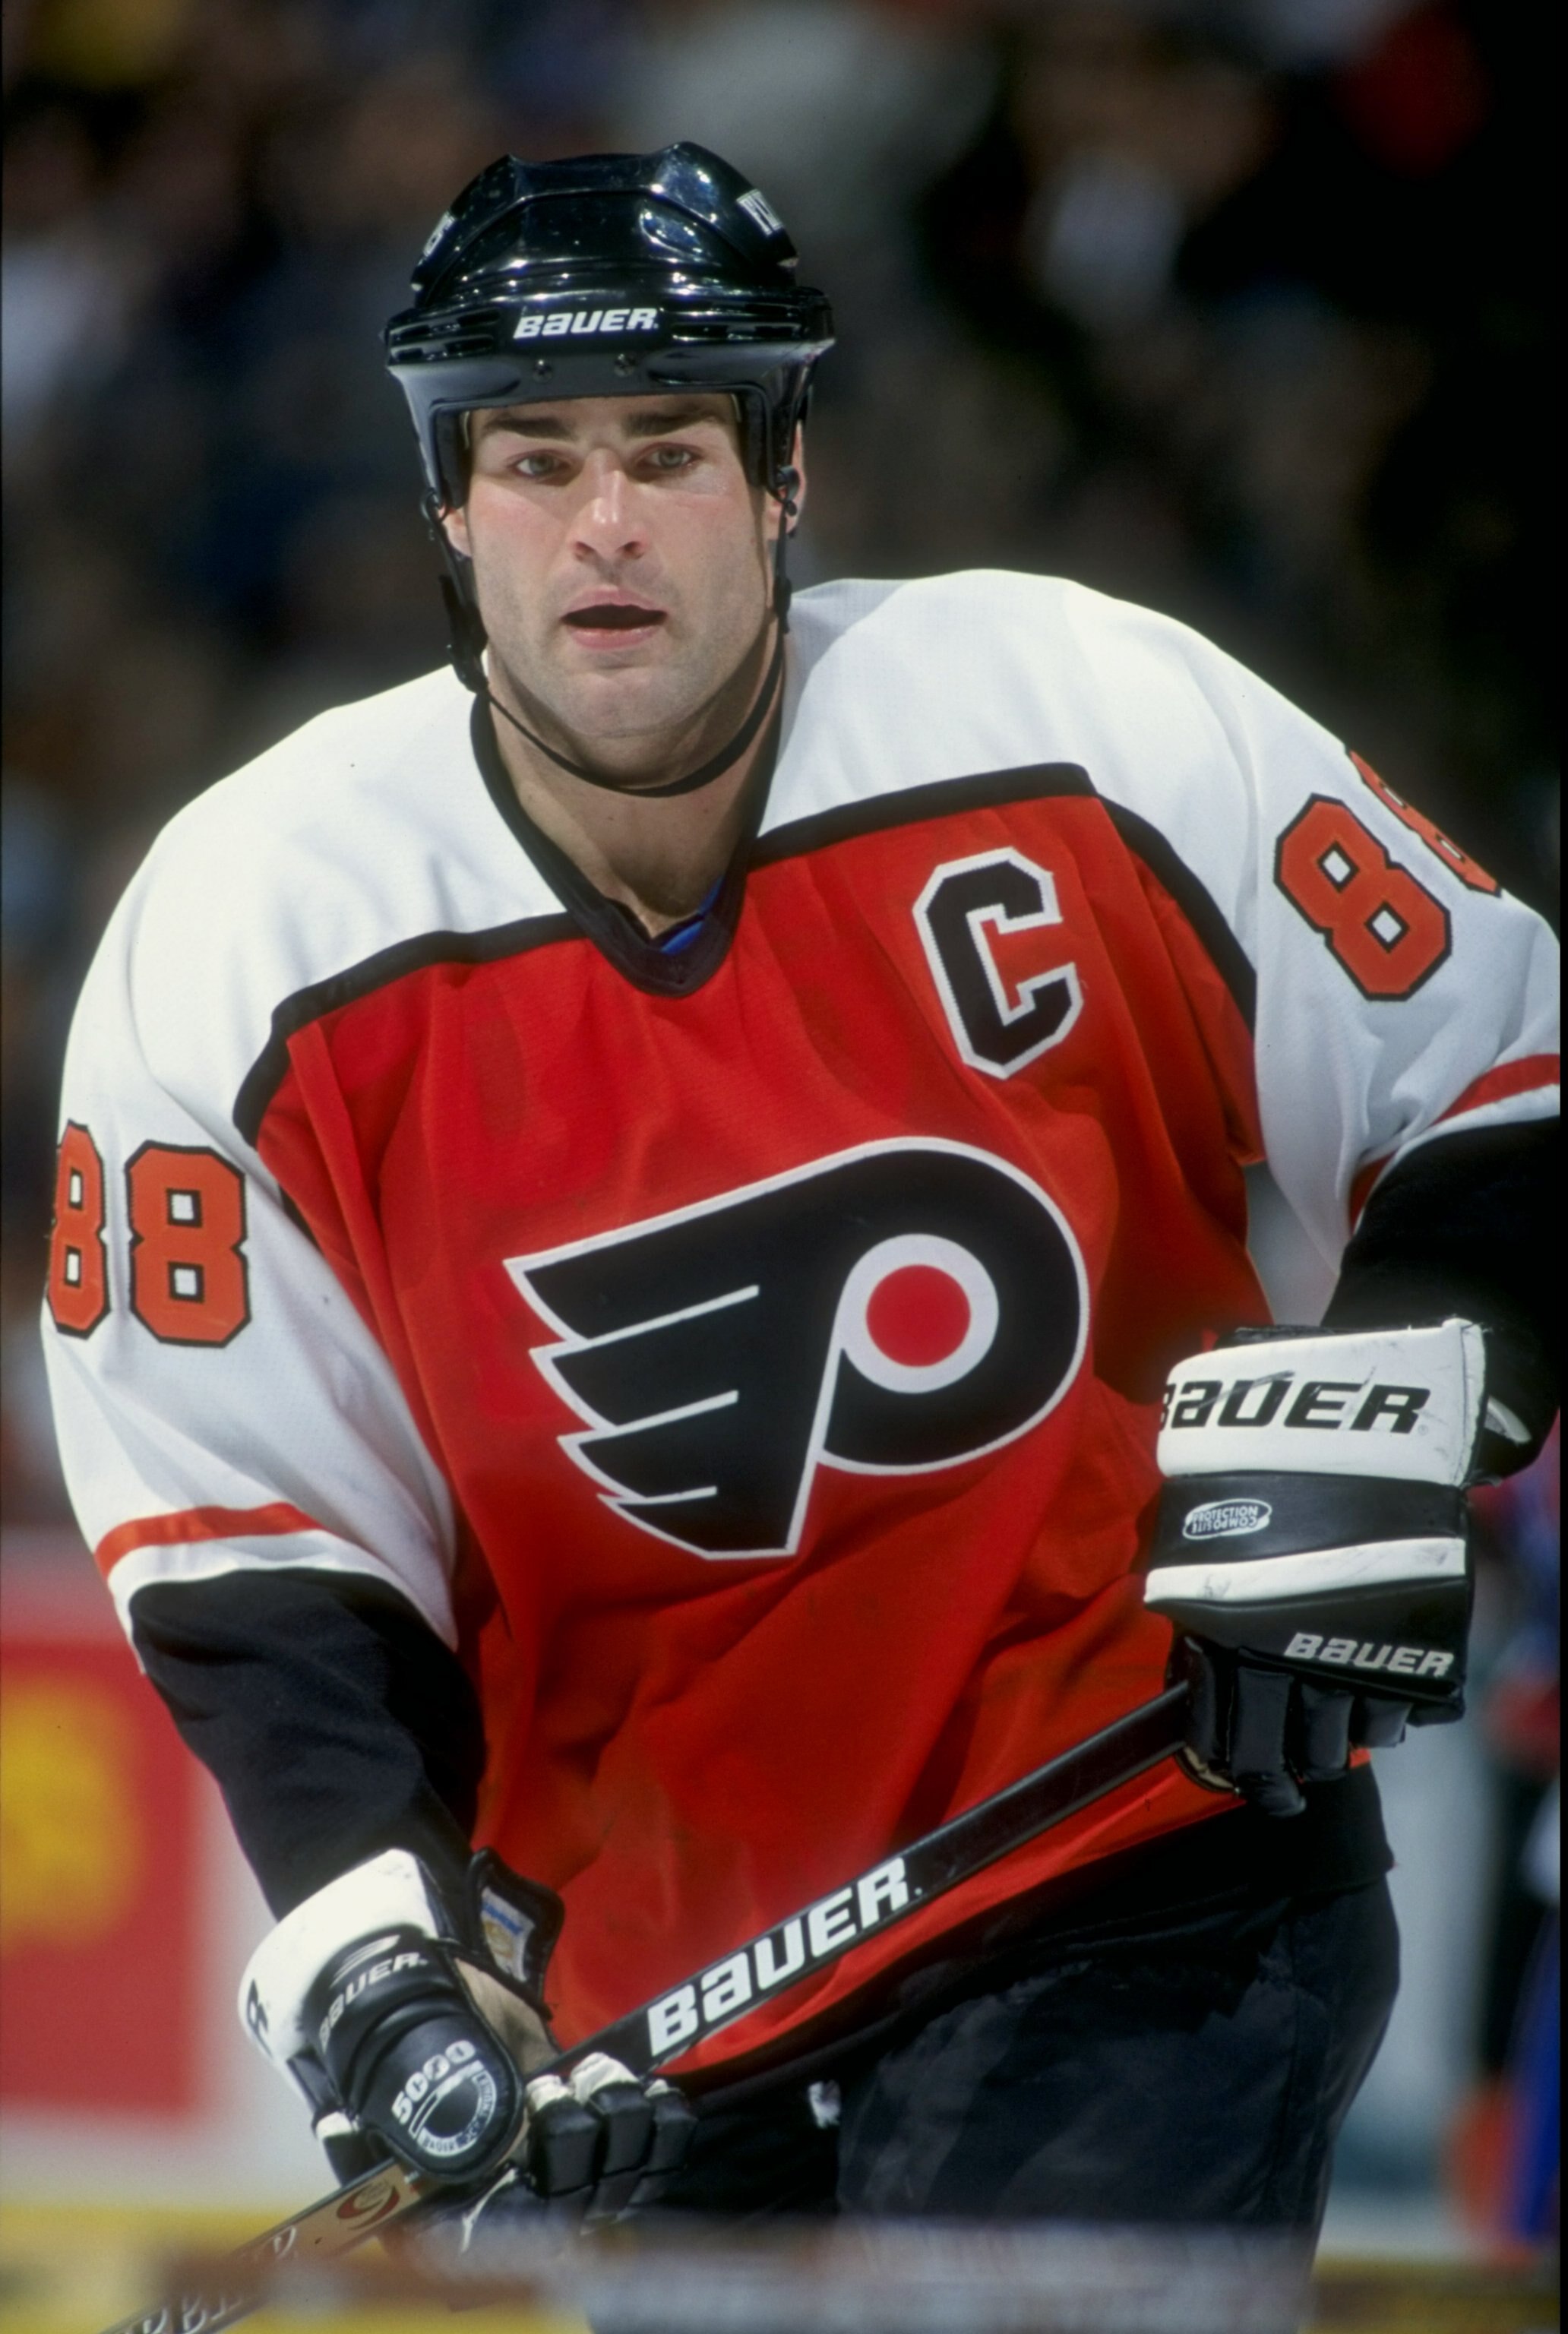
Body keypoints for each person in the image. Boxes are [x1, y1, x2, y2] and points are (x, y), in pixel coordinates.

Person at [43, 144, 1557, 2234]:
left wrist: (1391, 1420)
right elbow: (262, 1573)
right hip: (637, 2010)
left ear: (781, 473)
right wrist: (395, 1970)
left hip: (1143, 1872)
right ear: (443, 505)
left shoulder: (1084, 716)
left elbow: (1505, 1077)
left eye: (667, 446)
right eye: (531, 456)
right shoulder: (246, 931)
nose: (602, 521)